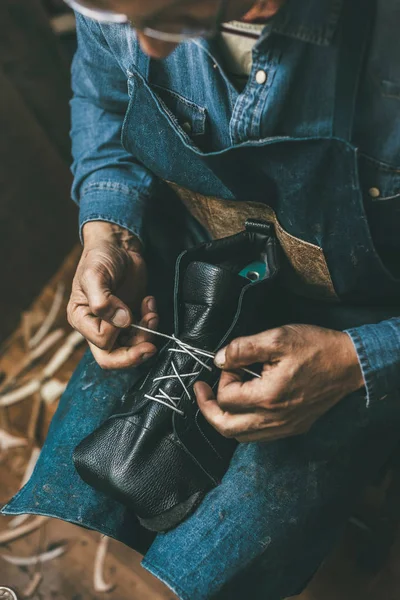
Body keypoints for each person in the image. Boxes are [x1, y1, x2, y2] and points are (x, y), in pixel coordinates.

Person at [3, 1, 400, 598]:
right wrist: (110, 227)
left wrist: (361, 360)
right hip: (195, 268)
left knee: (195, 579)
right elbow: (107, 100)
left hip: (367, 314)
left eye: (165, 19)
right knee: (53, 527)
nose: (149, 50)